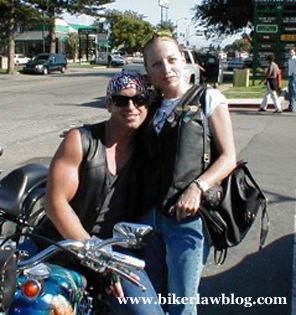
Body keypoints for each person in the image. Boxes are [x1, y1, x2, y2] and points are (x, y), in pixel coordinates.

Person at [35, 72, 166, 315]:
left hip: (116, 248)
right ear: (108, 104)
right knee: (19, 300)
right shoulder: (81, 140)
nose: (131, 107)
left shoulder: (149, 146)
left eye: (139, 101)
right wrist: (95, 256)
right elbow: (55, 204)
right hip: (62, 241)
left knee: (147, 313)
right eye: (120, 101)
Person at [137, 32, 237, 315]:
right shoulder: (150, 107)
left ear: (184, 59)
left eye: (171, 60)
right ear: (147, 70)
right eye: (156, 64)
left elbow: (229, 157)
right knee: (152, 302)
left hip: (186, 220)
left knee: (182, 304)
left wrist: (198, 187)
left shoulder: (208, 98)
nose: (165, 69)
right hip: (148, 220)